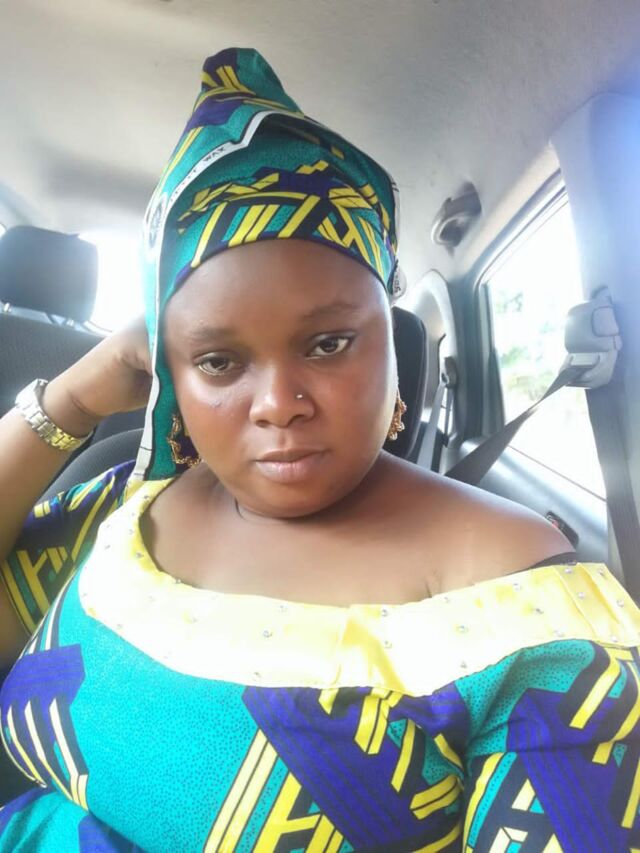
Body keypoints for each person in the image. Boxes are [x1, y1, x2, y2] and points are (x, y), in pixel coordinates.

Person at [0, 48, 638, 853]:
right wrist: (72, 398)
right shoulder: (133, 504)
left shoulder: (534, 625)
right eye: (218, 361)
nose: (278, 404)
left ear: (396, 351)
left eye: (329, 342)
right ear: (171, 377)